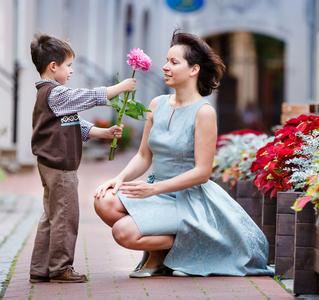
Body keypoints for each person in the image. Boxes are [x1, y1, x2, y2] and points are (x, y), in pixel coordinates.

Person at [94, 31, 273, 278]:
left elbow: (202, 173)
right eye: (166, 61)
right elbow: (144, 156)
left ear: (194, 70)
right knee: (104, 201)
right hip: (156, 191)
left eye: (174, 62)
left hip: (189, 199)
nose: (165, 67)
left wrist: (154, 190)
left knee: (123, 233)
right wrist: (120, 178)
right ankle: (159, 257)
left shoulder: (204, 112)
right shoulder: (157, 104)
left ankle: (190, 243)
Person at [29, 34, 136, 283]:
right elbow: (87, 97)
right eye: (68, 65)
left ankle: (40, 267)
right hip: (60, 166)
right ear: (53, 66)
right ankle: (60, 268)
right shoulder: (55, 93)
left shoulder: (53, 96)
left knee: (52, 215)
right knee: (66, 216)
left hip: (51, 164)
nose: (71, 70)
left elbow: (74, 123)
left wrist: (104, 133)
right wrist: (120, 88)